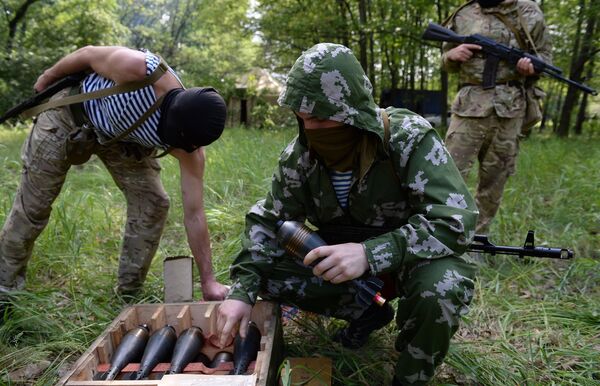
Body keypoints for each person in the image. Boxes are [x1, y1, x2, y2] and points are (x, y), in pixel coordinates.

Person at [216, 43, 478, 386]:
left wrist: (369, 253)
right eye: (303, 118)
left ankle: (410, 377)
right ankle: (368, 311)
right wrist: (241, 293)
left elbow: (455, 220)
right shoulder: (300, 158)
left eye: (322, 117)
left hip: (410, 261)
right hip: (341, 269)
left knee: (441, 286)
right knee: (263, 272)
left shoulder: (407, 138)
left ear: (354, 111)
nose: (312, 128)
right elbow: (267, 222)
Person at [0, 46, 229, 305]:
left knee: (153, 203)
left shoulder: (190, 148)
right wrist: (47, 77)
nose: (171, 146)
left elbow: (195, 214)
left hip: (120, 139)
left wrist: (209, 281)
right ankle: (4, 290)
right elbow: (87, 54)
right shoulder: (139, 69)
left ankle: (128, 294)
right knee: (33, 207)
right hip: (69, 116)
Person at [442, 0, 552, 233]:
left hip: (509, 109)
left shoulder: (528, 11)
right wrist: (452, 55)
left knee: (494, 181)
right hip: (468, 107)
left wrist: (532, 66)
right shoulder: (463, 13)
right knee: (448, 175)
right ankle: (443, 232)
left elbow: (545, 57)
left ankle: (478, 238)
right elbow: (446, 59)